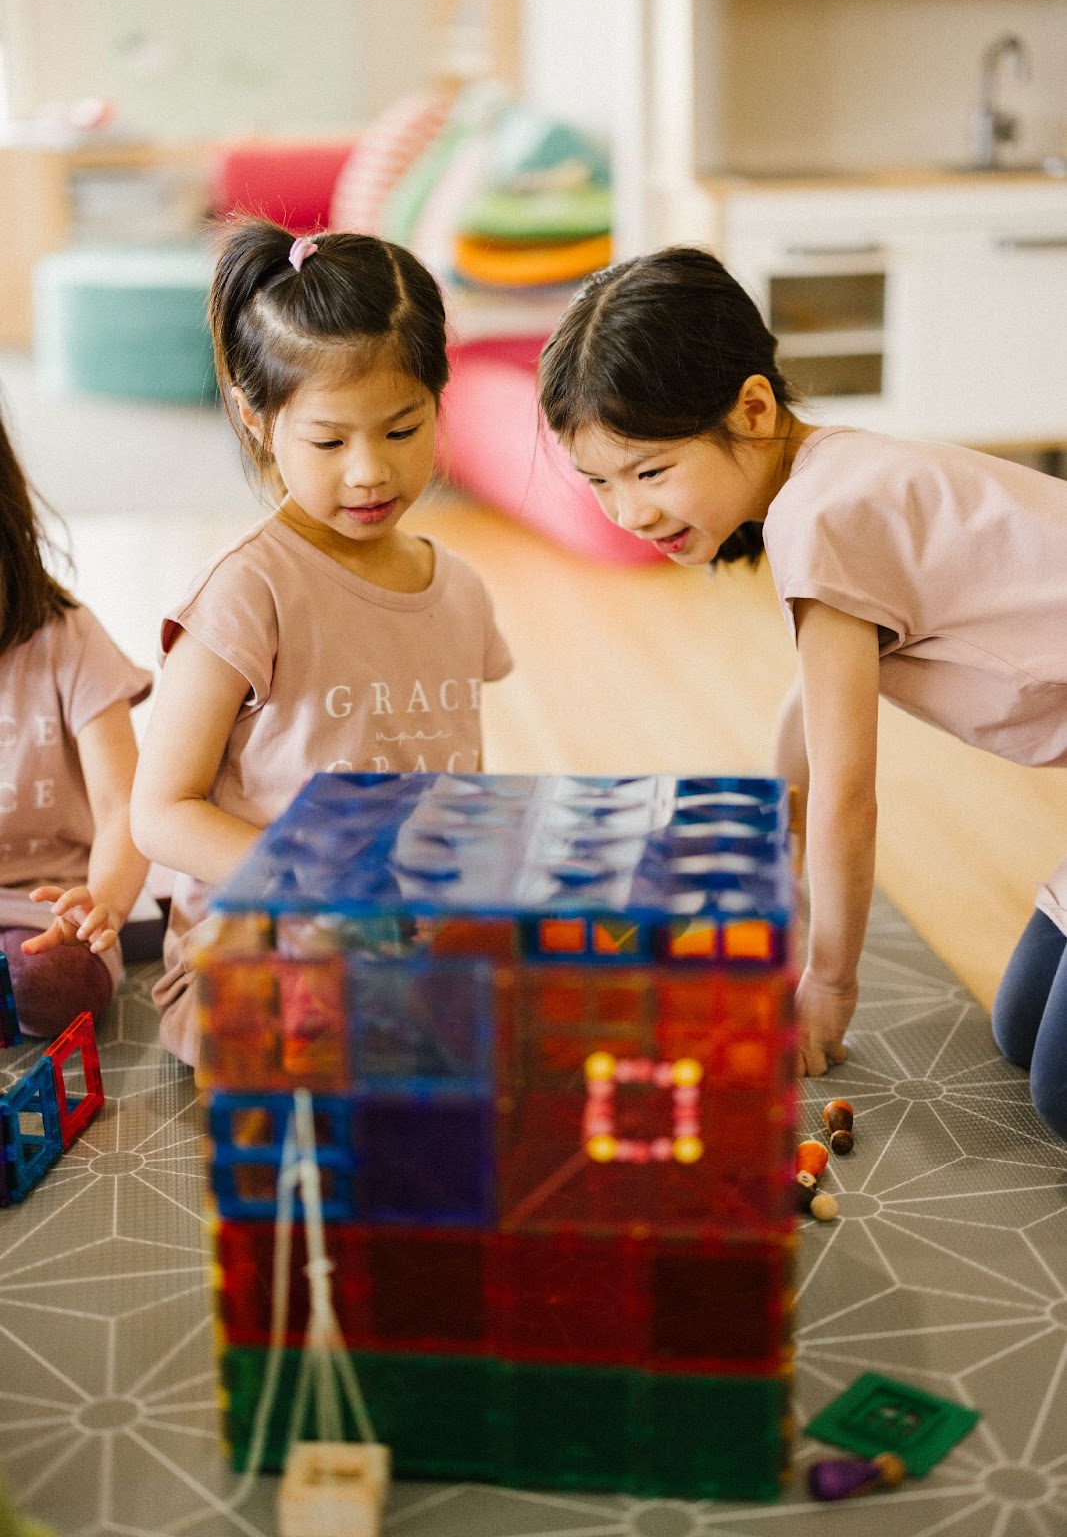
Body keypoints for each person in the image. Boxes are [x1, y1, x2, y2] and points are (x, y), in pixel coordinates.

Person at [537, 245, 1067, 1139]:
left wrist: (829, 980)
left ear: (750, 408)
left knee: (1059, 1094)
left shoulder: (819, 519)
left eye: (651, 471)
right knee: (1019, 1039)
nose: (627, 513)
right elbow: (809, 715)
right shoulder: (825, 477)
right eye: (598, 482)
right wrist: (766, 838)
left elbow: (850, 792)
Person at [131, 224, 513, 1067]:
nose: (370, 471)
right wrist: (323, 879)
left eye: (403, 430)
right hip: (258, 948)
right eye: (331, 441)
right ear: (256, 418)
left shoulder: (457, 588)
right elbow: (160, 813)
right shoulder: (247, 591)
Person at [0, 404, 150, 1038]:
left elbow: (125, 806)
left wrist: (104, 902)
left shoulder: (69, 636)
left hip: (48, 912)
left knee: (51, 983)